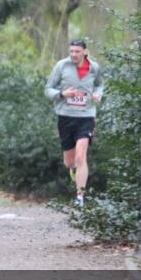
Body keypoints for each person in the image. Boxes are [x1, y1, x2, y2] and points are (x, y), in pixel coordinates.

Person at [44, 39, 105, 207]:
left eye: (77, 52)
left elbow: (100, 86)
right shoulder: (61, 66)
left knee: (81, 155)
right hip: (65, 117)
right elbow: (48, 89)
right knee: (70, 162)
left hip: (86, 117)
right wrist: (63, 94)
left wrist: (97, 95)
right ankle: (73, 170)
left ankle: (80, 196)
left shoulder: (94, 67)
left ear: (84, 52)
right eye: (71, 51)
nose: (73, 55)